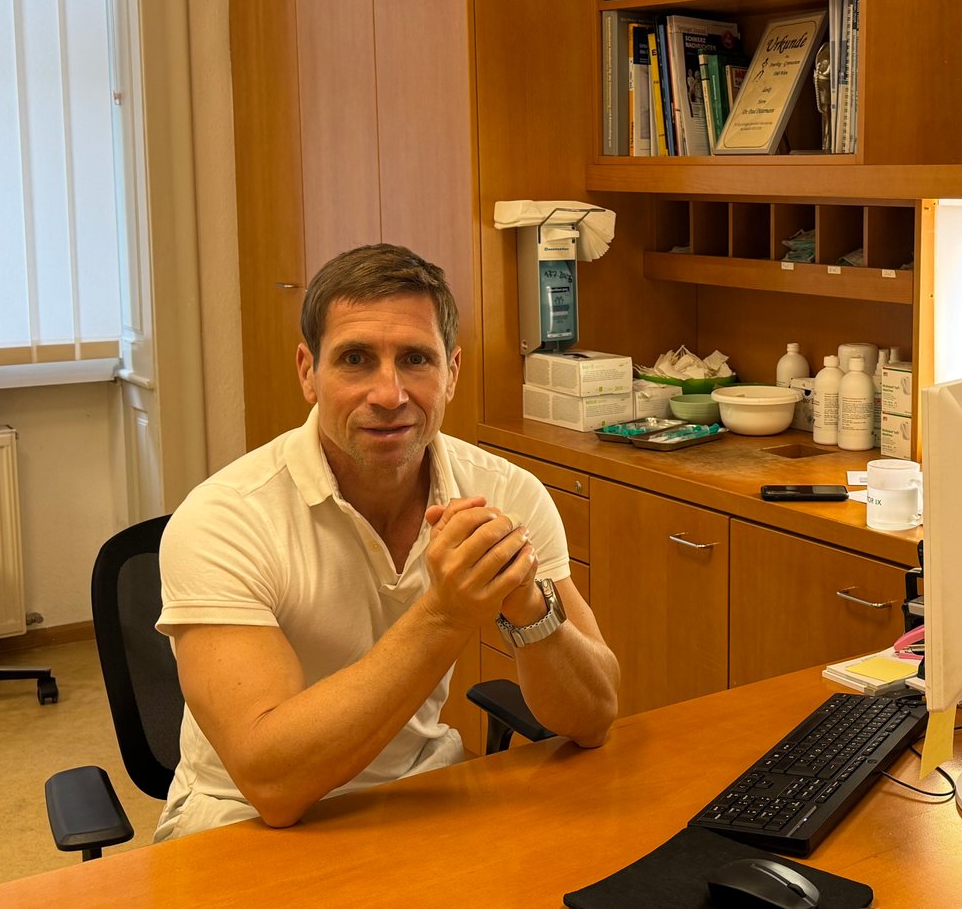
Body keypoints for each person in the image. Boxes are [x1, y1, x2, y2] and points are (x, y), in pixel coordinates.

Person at [153, 244, 619, 838]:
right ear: (308, 372)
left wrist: (529, 605)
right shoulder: (224, 518)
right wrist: (446, 614)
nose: (389, 394)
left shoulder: (507, 493)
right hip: (239, 820)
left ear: (451, 373)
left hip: (419, 794)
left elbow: (594, 718)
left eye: (416, 360)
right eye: (355, 359)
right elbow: (272, 783)